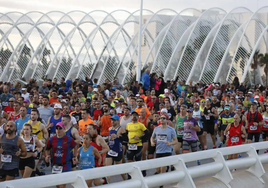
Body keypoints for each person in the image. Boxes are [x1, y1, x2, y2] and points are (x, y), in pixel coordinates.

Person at [45, 122, 77, 188]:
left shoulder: (69, 139)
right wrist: (47, 156)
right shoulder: (51, 139)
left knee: (62, 185)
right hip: (55, 165)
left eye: (60, 128)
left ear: (64, 129)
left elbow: (75, 146)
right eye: (57, 128)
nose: (58, 130)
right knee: (58, 185)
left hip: (66, 164)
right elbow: (46, 148)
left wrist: (74, 156)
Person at [126, 111, 149, 178]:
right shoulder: (128, 125)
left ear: (138, 117)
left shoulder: (140, 125)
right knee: (129, 160)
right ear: (131, 117)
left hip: (138, 145)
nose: (134, 116)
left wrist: (140, 137)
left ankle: (140, 174)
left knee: (138, 160)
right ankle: (130, 175)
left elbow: (147, 133)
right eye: (133, 115)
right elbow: (126, 133)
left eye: (136, 115)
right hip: (130, 145)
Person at [106, 115, 126, 181]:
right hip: (110, 150)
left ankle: (126, 180)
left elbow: (126, 138)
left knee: (120, 170)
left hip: (118, 151)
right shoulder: (110, 128)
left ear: (118, 121)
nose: (112, 122)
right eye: (112, 120)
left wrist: (118, 136)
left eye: (114, 120)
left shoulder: (121, 129)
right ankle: (107, 184)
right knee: (107, 169)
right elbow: (110, 138)